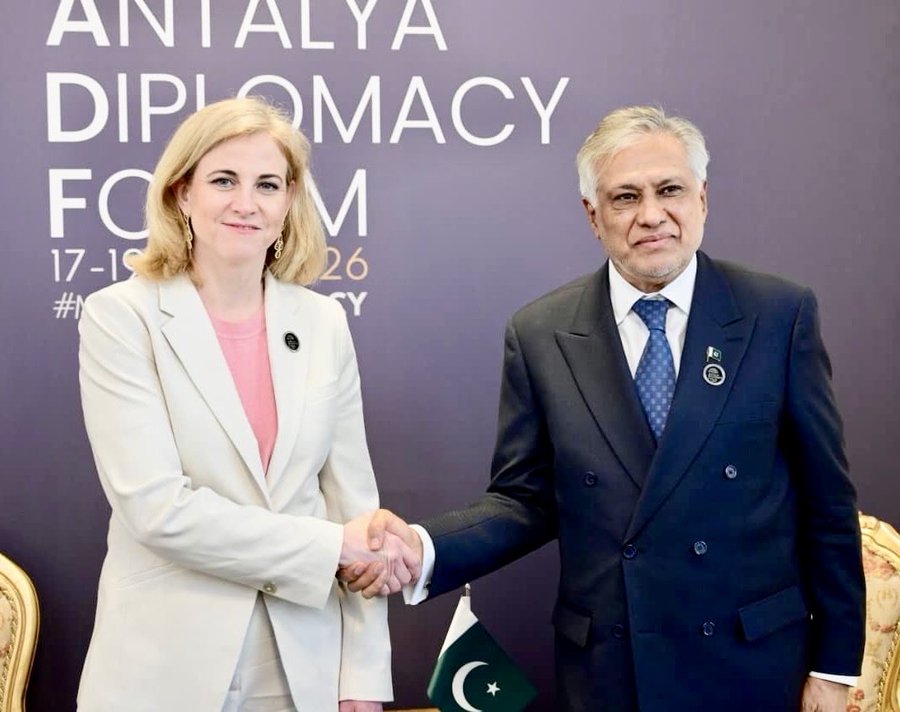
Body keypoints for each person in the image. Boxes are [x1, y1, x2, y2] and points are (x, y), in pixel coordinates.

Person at [341, 106, 866, 711]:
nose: (652, 214)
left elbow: (828, 502)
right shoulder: (540, 333)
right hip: (613, 672)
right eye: (626, 197)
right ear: (594, 215)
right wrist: (423, 547)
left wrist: (834, 667)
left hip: (751, 666)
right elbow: (524, 500)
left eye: (670, 190)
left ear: (702, 198)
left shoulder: (778, 315)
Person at [76, 96, 417, 712]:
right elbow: (157, 510)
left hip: (303, 666)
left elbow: (355, 507)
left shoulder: (323, 323)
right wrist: (330, 547)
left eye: (267, 184)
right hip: (163, 667)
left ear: (289, 201)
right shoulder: (121, 316)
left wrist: (363, 677)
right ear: (182, 193)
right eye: (223, 180)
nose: (246, 202)